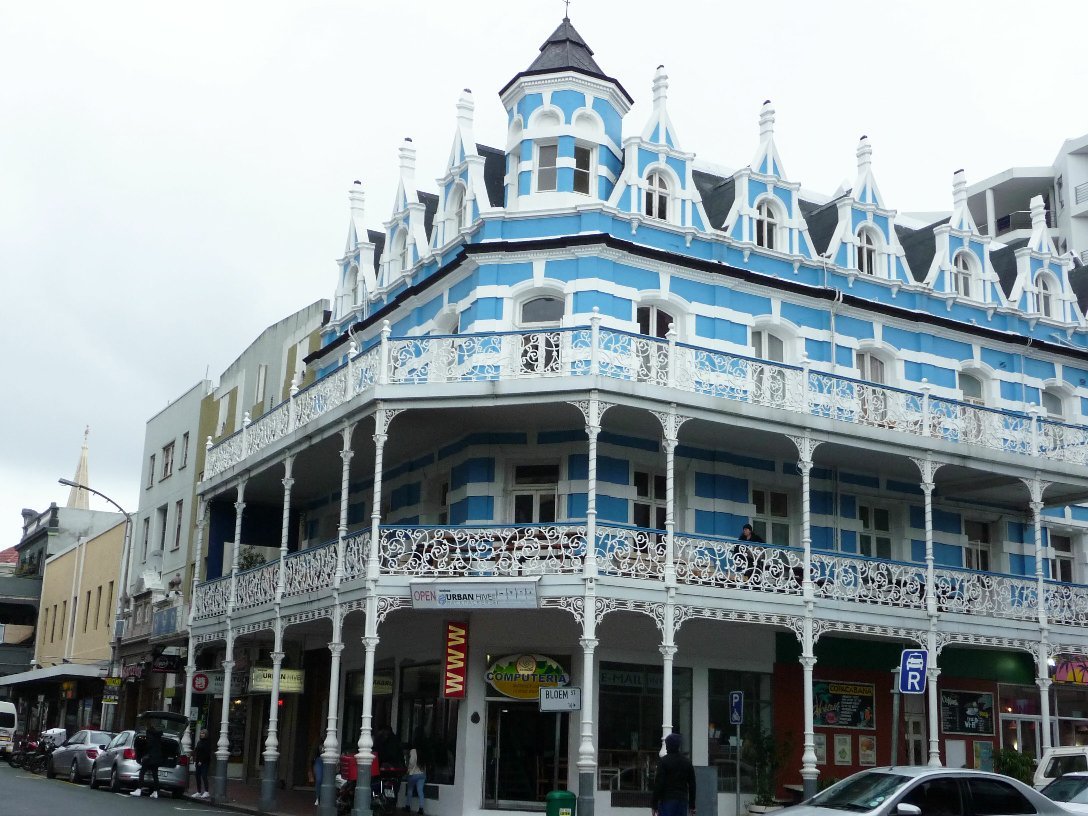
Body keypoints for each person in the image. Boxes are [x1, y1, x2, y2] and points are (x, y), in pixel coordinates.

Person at [652, 732, 695, 816]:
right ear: (678, 746)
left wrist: (654, 803)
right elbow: (692, 784)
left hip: (667, 800)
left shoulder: (663, 761)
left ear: (668, 745)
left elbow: (659, 783)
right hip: (682, 800)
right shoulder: (687, 762)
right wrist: (692, 805)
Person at [130, 723, 164, 798]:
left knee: (142, 772)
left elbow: (149, 745)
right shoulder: (158, 736)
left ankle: (139, 789)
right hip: (157, 758)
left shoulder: (149, 734)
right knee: (155, 775)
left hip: (149, 757)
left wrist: (144, 754)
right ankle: (155, 792)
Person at [403, 729, 427, 815]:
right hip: (422, 774)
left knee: (410, 790)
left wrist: (408, 770)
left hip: (413, 774)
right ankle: (421, 808)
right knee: (420, 791)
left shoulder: (413, 751)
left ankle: (408, 806)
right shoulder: (424, 751)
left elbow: (412, 762)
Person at [192, 728, 211, 799]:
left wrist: (201, 761)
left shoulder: (207, 742)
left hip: (204, 762)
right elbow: (196, 750)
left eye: (203, 733)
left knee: (204, 776)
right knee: (197, 776)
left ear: (206, 734)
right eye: (201, 733)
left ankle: (206, 791)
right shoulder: (199, 742)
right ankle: (199, 791)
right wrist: (192, 755)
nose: (201, 734)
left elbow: (206, 753)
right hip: (198, 761)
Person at [312, 739, 325, 806]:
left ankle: (323, 798)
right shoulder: (318, 743)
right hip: (319, 761)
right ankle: (318, 797)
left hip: (328, 762)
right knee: (319, 780)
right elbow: (313, 755)